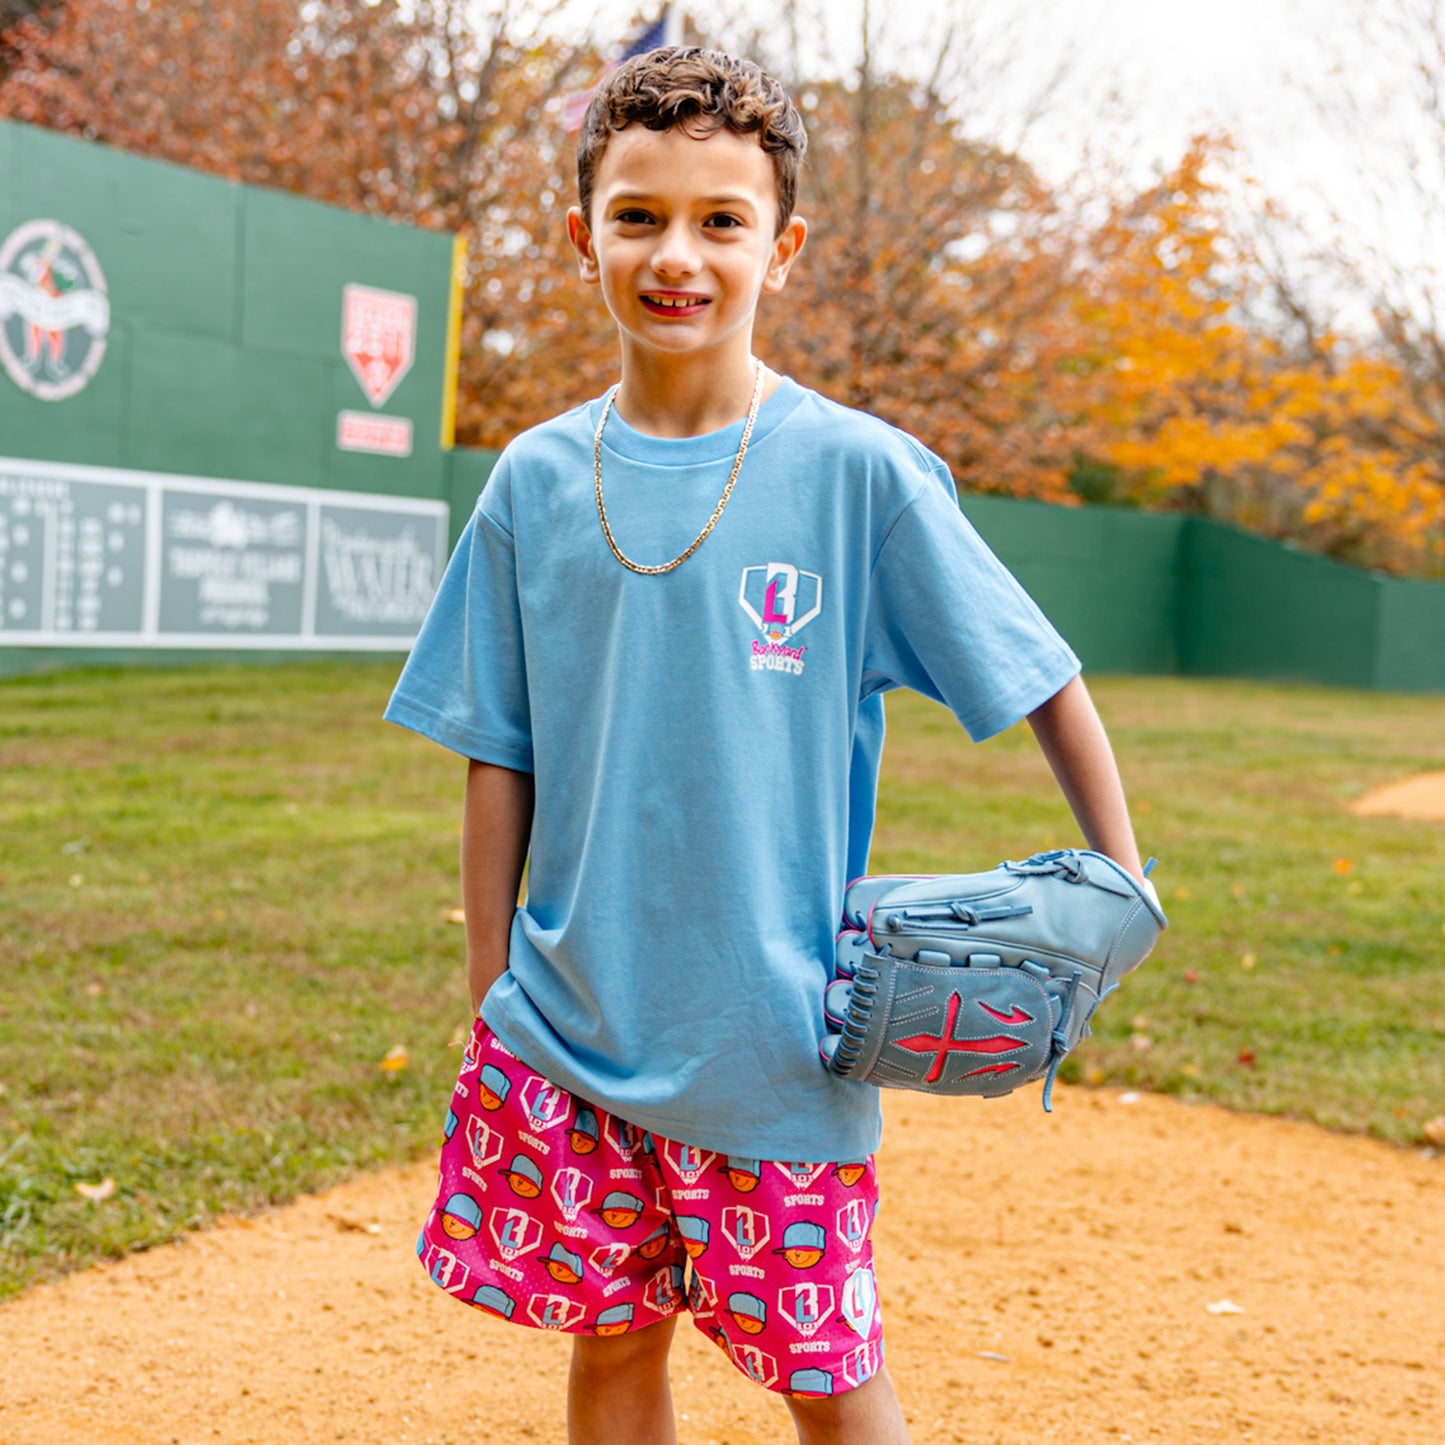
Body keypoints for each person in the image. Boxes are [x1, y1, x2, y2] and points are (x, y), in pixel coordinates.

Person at [385, 45, 1147, 1445]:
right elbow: (500, 750)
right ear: (582, 236)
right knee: (611, 1353)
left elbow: (1041, 672)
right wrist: (490, 989)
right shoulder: (534, 481)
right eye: (639, 215)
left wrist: (1121, 878)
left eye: (720, 220)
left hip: (775, 1042)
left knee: (824, 1375)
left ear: (780, 247)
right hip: (567, 1031)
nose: (677, 253)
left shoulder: (854, 471)